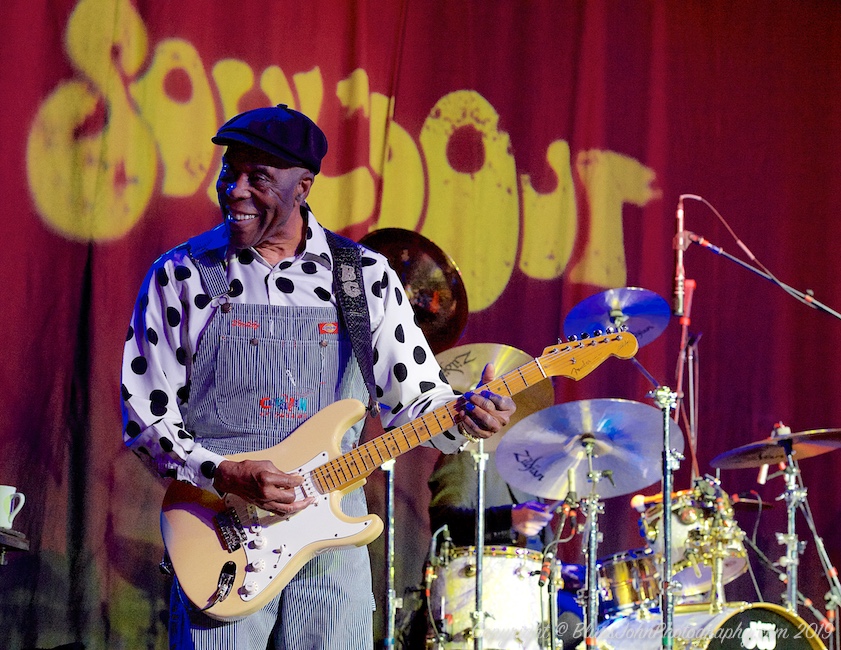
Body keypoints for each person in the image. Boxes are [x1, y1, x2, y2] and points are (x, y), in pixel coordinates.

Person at [120, 104, 516, 650]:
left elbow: (418, 406)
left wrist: (467, 415)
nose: (235, 189)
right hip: (226, 538)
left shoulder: (365, 278)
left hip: (333, 540)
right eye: (229, 171)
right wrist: (227, 472)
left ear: (303, 187)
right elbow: (145, 420)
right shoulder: (181, 275)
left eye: (258, 177)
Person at [426, 447, 585, 647]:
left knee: (587, 620)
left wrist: (565, 571)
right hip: (481, 596)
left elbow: (542, 552)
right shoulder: (466, 451)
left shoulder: (528, 467)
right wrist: (509, 518)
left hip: (532, 597)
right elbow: (444, 522)